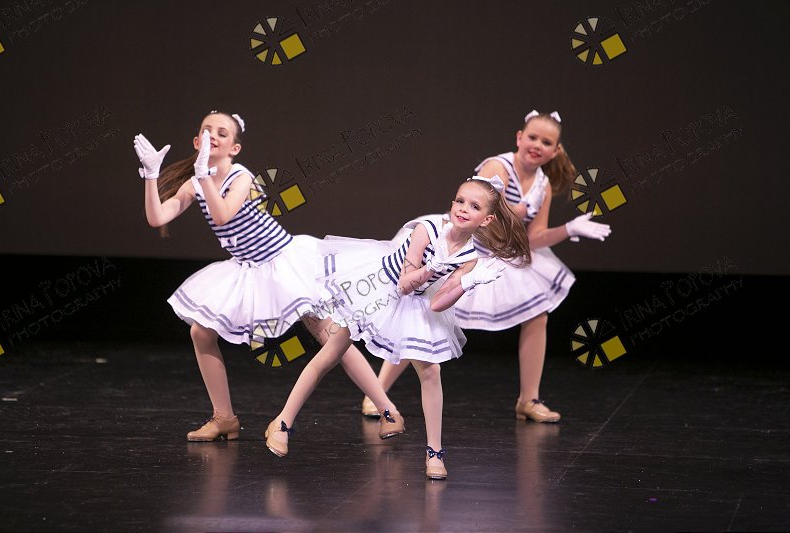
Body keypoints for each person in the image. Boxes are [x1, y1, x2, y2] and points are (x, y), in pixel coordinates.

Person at [133, 110, 404, 442]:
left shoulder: (241, 176)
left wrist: (203, 176)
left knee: (330, 334)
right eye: (206, 130)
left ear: (234, 148)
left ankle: (388, 410)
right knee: (201, 332)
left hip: (284, 262)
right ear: (196, 141)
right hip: (248, 269)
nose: (213, 135)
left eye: (221, 133)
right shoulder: (194, 184)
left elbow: (222, 215)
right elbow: (158, 217)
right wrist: (151, 175)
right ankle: (224, 418)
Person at [265, 176, 531, 481]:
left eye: (474, 206)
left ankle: (434, 451)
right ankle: (282, 423)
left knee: (431, 372)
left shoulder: (469, 257)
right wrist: (435, 266)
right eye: (460, 201)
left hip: (417, 302)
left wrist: (467, 282)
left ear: (486, 219)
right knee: (333, 350)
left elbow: (438, 303)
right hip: (379, 286)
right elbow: (404, 284)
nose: (463, 209)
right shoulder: (427, 229)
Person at [359, 110, 611, 423]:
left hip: (496, 254)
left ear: (555, 151)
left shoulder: (542, 185)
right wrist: (520, 210)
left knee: (537, 314)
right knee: (420, 316)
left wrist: (569, 229)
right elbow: (488, 221)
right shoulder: (498, 168)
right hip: (460, 249)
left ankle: (529, 399)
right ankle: (377, 393)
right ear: (519, 138)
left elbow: (532, 239)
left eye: (546, 142)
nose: (537, 145)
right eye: (532, 137)